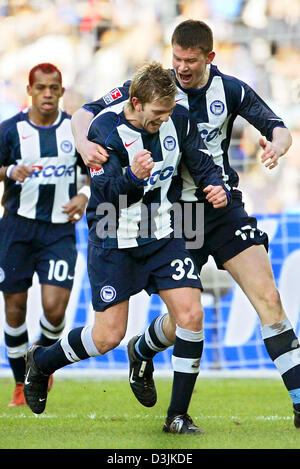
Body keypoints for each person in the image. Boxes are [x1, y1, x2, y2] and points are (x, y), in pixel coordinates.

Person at [70, 21, 300, 430]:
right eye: (176, 59)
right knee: (184, 320)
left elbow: (277, 128)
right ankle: (143, 347)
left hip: (223, 205)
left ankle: (299, 402)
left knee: (269, 298)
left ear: (209, 57)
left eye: (190, 60)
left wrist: (277, 147)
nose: (181, 67)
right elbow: (86, 113)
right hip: (178, 213)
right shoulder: (150, 88)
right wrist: (84, 143)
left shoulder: (230, 90)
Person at [23, 62, 229, 434]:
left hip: (165, 234)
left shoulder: (177, 119)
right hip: (113, 239)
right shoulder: (106, 131)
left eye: (168, 111)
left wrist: (215, 184)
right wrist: (133, 178)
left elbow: (200, 160)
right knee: (107, 337)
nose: (164, 120)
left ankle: (177, 416)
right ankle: (41, 362)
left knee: (191, 315)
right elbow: (104, 197)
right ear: (135, 102)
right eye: (157, 114)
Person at [0, 63, 89, 407]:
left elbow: (97, 171)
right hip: (16, 228)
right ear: (30, 91)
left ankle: (42, 361)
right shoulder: (10, 131)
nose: (48, 94)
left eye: (54, 88)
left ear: (62, 92)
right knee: (14, 309)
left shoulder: (76, 131)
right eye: (41, 88)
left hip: (58, 231)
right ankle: (21, 384)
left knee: (54, 310)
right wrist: (7, 170)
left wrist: (84, 195)